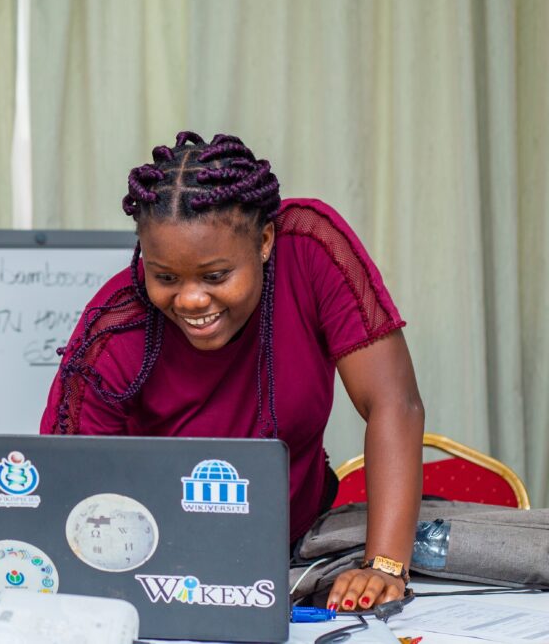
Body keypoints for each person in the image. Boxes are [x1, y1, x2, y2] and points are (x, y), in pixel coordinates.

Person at [41, 131, 424, 612]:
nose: (191, 299)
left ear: (264, 241)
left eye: (215, 275)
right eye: (164, 277)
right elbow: (74, 492)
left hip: (297, 551)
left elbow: (393, 402)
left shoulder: (309, 251)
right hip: (160, 575)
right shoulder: (113, 333)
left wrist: (384, 566)